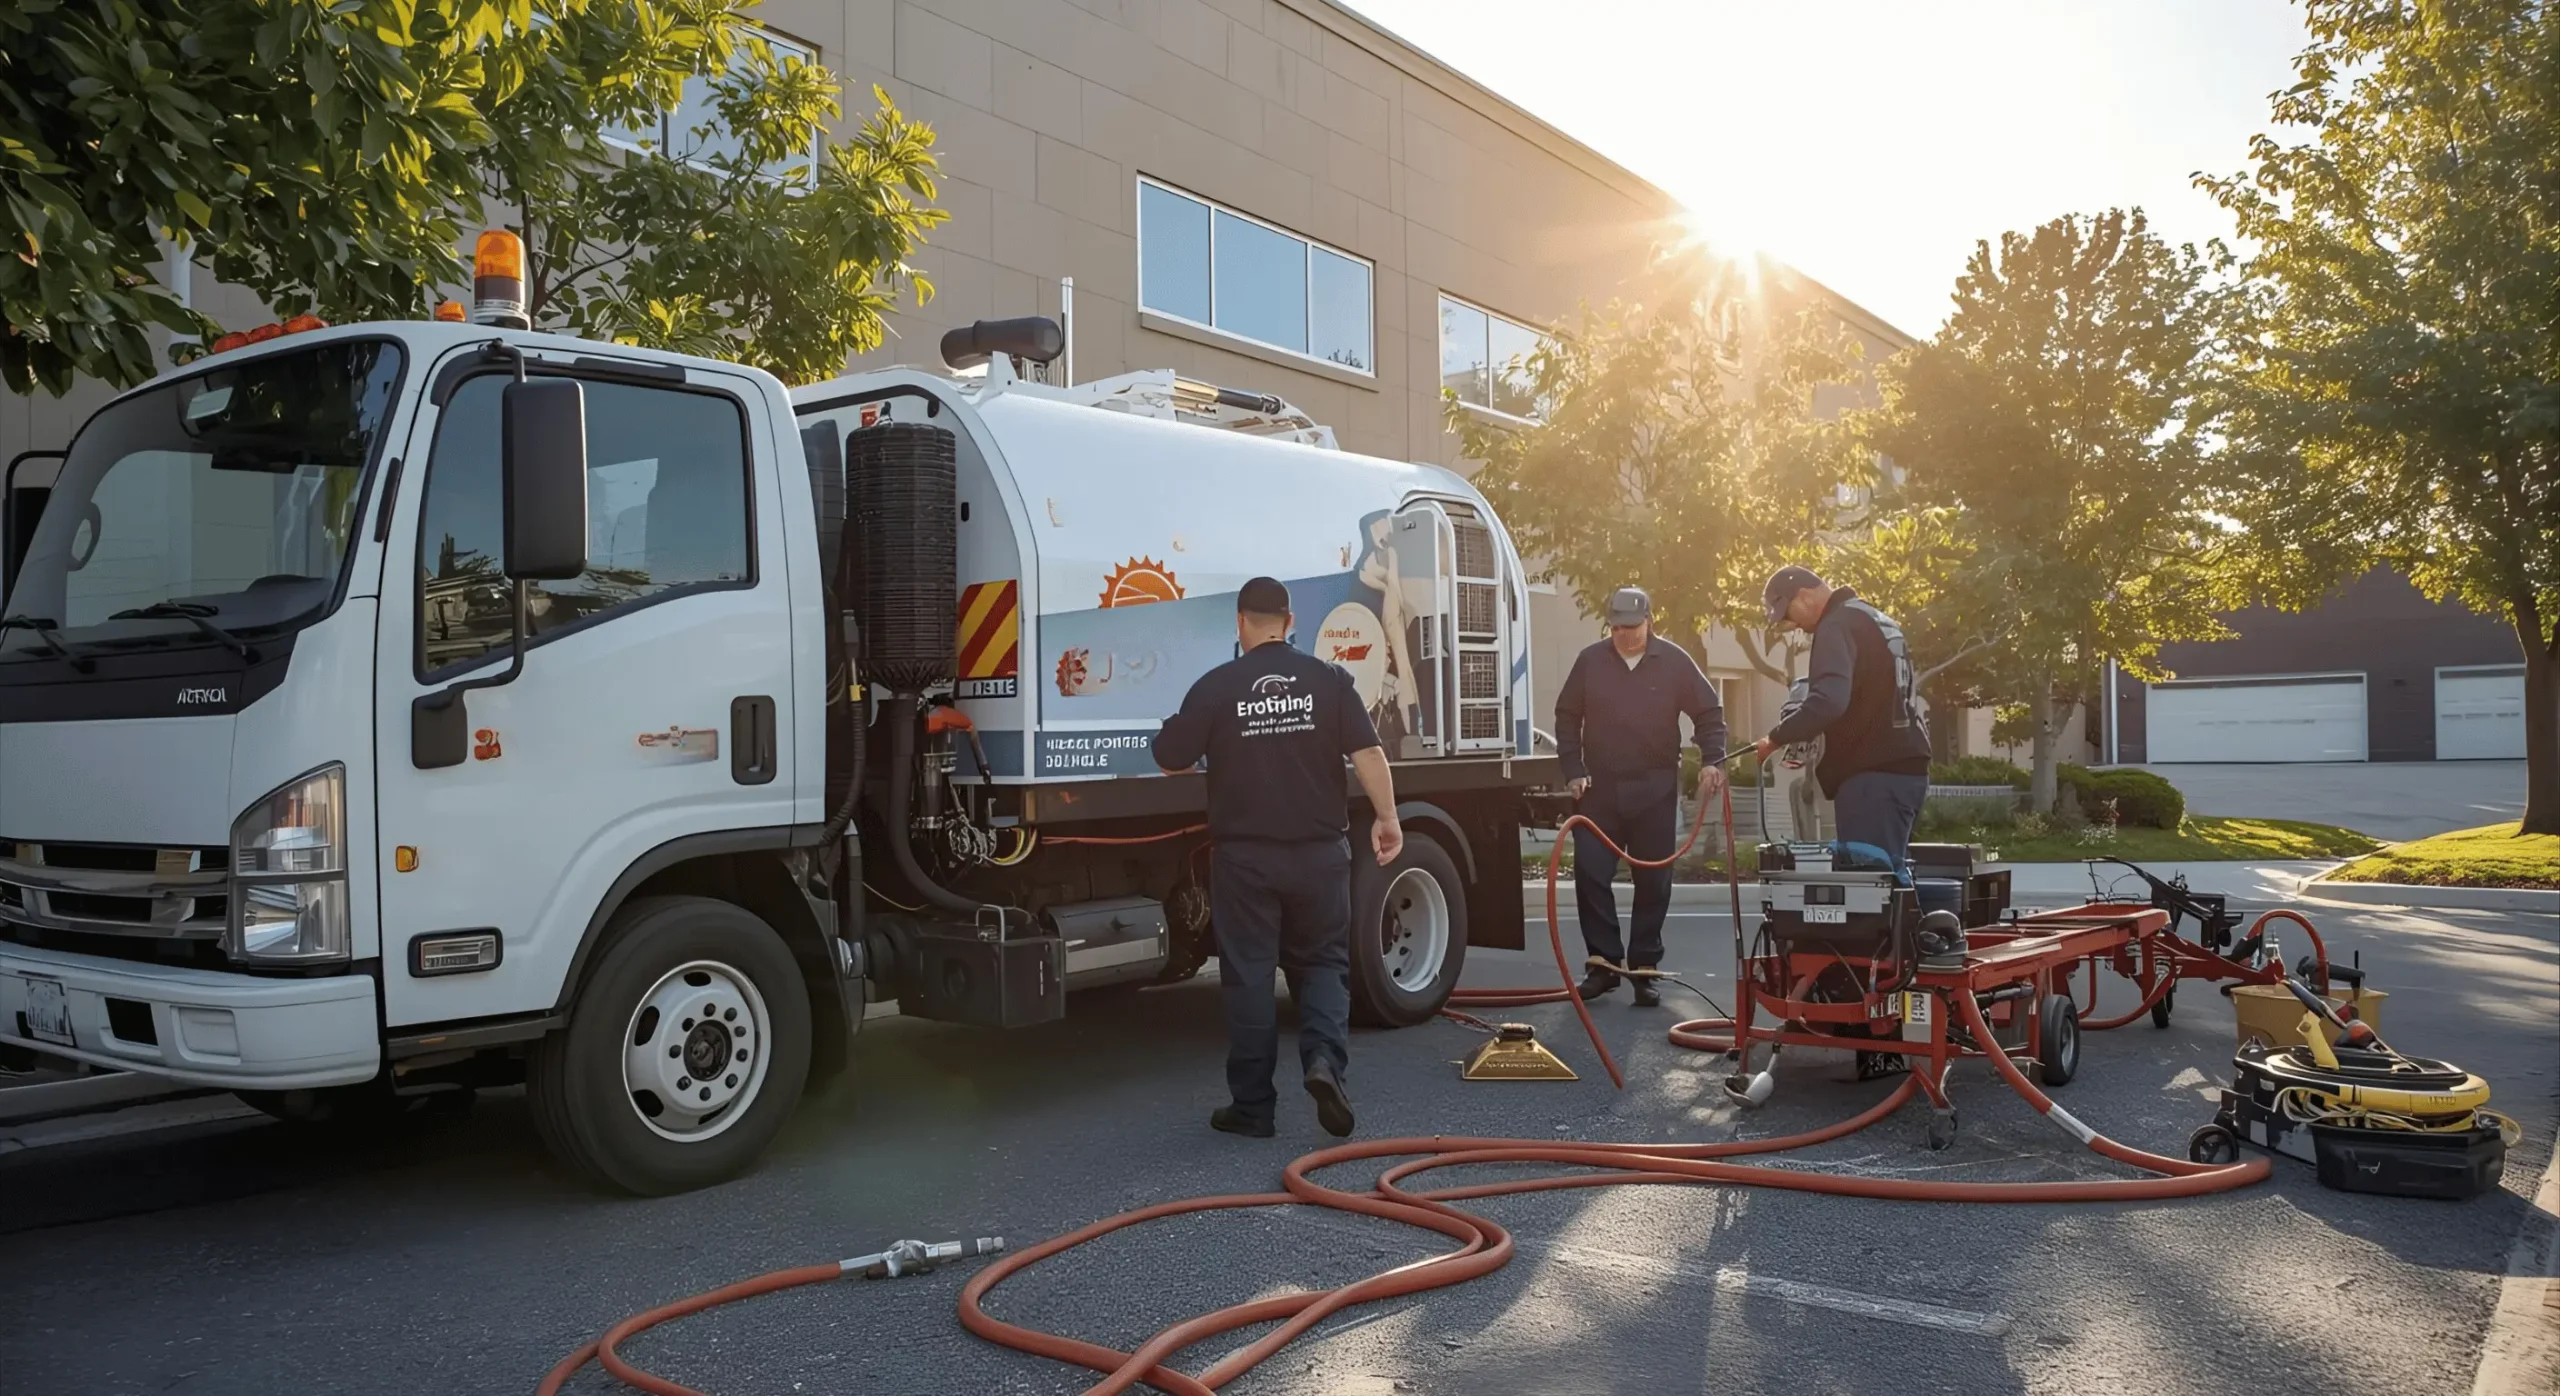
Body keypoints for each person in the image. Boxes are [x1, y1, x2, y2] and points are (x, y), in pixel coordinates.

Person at [1154, 576, 1403, 1140]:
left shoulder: (1217, 687)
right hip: (1320, 855)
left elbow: (1172, 758)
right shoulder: (1331, 680)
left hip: (1246, 861)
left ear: (1240, 625)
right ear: (1291, 623)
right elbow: (1367, 751)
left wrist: (1186, 732)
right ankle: (1323, 1065)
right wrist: (1387, 819)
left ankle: (1253, 1108)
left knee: (1249, 976)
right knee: (1322, 966)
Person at [1552, 586, 1727, 1006]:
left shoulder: (1673, 662)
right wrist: (1573, 770)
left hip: (1655, 788)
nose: (1625, 635)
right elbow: (1566, 716)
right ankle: (1604, 965)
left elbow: (1708, 712)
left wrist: (1712, 759)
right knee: (1591, 874)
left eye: (1632, 627)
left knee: (1653, 879)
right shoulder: (1590, 661)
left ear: (1649, 621)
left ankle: (1644, 967)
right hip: (1598, 790)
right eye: (1617, 628)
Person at [1753, 566, 1934, 871]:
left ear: (1807, 595)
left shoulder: (1835, 625)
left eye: (1789, 613)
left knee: (1867, 888)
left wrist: (1776, 738)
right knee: (1889, 883)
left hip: (1873, 775)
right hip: (1906, 768)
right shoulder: (1875, 618)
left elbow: (1828, 701)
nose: (1792, 624)